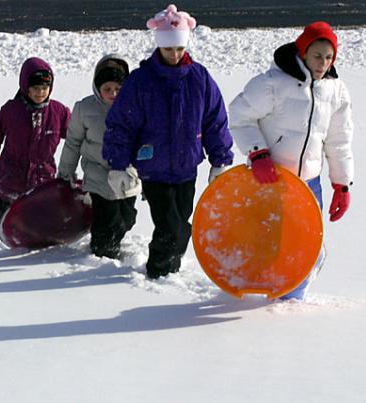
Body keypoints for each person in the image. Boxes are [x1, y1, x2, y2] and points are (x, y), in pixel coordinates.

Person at [102, 4, 234, 279]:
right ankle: (158, 272)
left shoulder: (199, 78)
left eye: (179, 49)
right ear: (159, 46)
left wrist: (220, 159)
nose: (174, 55)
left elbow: (214, 120)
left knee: (182, 221)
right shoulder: (141, 82)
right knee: (169, 225)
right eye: (168, 49)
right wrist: (117, 163)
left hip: (187, 167)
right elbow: (121, 124)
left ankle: (170, 268)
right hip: (154, 167)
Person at [229, 21, 353, 300]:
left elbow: (339, 140)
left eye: (329, 57)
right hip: (270, 181)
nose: (323, 63)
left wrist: (341, 185)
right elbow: (239, 116)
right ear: (303, 52)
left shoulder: (335, 90)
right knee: (270, 242)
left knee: (310, 249)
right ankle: (261, 297)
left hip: (309, 184)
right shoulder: (272, 84)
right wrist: (258, 153)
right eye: (317, 55)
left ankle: (289, 303)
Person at [57, 54, 141, 259]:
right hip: (97, 174)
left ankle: (113, 241)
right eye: (107, 89)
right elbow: (73, 142)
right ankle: (102, 252)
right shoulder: (84, 108)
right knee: (106, 218)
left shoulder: (135, 107)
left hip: (127, 174)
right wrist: (66, 170)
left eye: (118, 89)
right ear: (97, 88)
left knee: (127, 218)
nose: (113, 94)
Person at [0, 57, 71, 219]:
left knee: (39, 216)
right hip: (12, 176)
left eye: (45, 88)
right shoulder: (12, 110)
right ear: (25, 87)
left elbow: (74, 133)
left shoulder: (58, 112)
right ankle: (8, 235)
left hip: (42, 176)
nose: (40, 93)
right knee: (9, 215)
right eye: (36, 88)